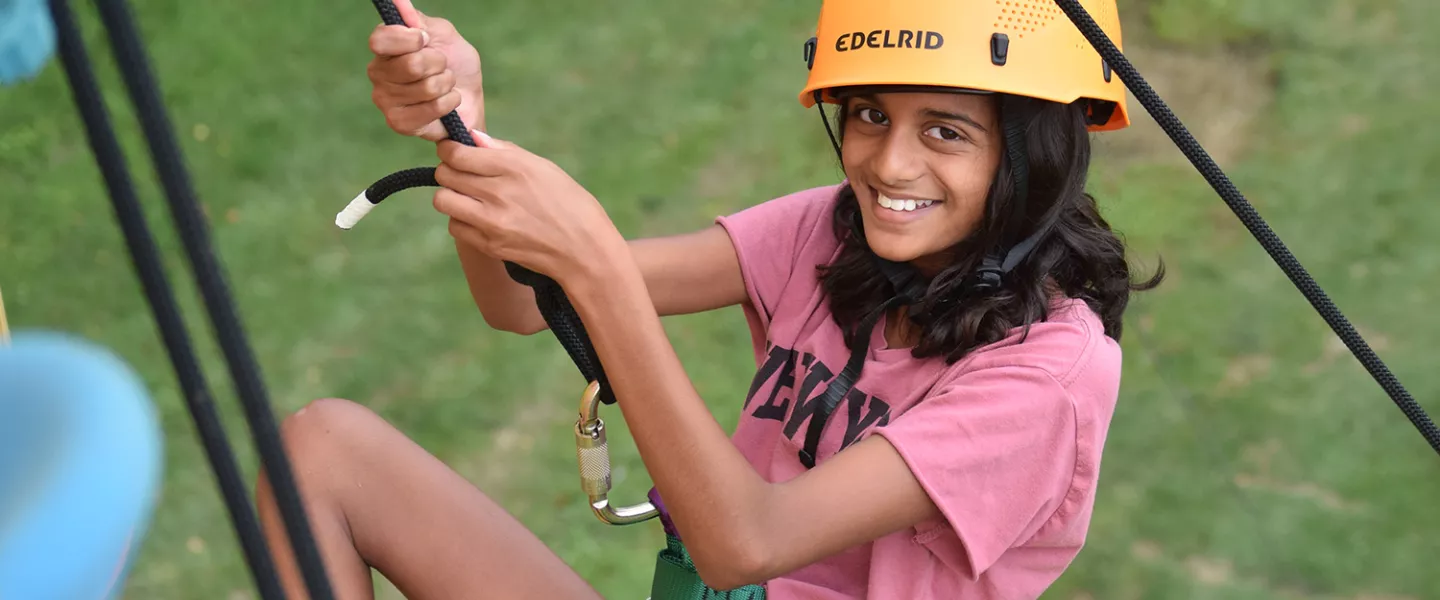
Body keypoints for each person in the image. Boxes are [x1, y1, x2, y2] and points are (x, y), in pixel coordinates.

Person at [255, 0, 1164, 598]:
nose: (889, 164)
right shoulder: (834, 231)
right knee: (322, 452)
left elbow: (748, 541)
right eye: (870, 112)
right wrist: (468, 131)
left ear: (1040, 149)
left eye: (949, 131)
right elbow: (526, 302)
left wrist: (601, 274)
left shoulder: (1047, 377)